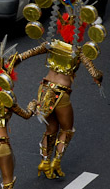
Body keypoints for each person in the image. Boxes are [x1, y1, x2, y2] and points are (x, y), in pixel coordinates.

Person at [13, 13, 103, 178]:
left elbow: (23, 55)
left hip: (44, 89)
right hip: (61, 93)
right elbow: (95, 74)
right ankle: (56, 161)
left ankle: (45, 161)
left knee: (51, 127)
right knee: (67, 129)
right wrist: (100, 77)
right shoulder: (79, 52)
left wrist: (13, 62)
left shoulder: (51, 44)